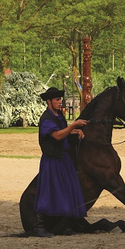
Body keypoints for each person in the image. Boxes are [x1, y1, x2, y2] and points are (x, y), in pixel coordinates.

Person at [33, 87, 89, 237]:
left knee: (68, 190)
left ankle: (63, 226)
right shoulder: (46, 118)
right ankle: (40, 227)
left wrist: (75, 131)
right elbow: (57, 135)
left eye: (60, 100)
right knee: (48, 192)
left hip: (63, 159)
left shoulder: (58, 116)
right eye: (57, 100)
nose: (60, 102)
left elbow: (63, 130)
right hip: (52, 160)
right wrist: (73, 125)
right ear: (49, 101)